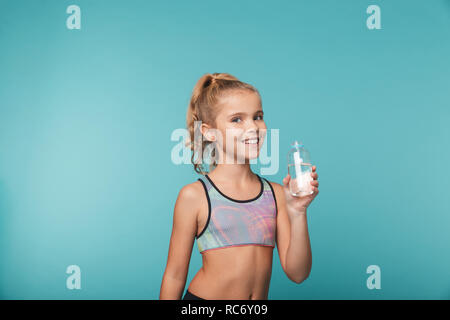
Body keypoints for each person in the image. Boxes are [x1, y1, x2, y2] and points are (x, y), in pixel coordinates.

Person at [159, 73, 319, 300]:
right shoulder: (195, 196)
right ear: (209, 132)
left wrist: (298, 212)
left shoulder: (276, 195)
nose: (253, 127)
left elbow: (298, 273)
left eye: (258, 116)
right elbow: (174, 276)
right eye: (237, 119)